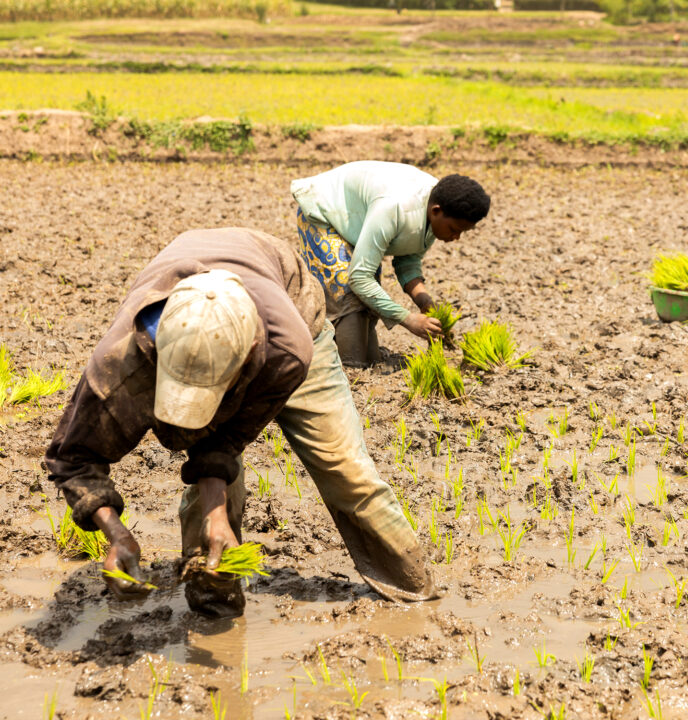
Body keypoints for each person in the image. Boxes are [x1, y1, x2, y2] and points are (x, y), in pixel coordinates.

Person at [44, 228, 434, 617]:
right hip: (200, 306)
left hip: (293, 308)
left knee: (346, 471)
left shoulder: (287, 351)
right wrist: (116, 534)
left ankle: (415, 590)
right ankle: (214, 597)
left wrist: (218, 510)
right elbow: (73, 459)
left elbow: (222, 441)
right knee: (211, 504)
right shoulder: (120, 365)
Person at [290, 161, 490, 367]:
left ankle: (366, 359)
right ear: (436, 211)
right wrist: (408, 319)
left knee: (371, 299)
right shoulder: (393, 208)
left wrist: (425, 302)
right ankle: (350, 367)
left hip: (361, 217)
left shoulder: (436, 208)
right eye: (454, 229)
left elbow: (408, 260)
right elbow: (359, 278)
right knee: (347, 292)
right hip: (327, 210)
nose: (456, 237)